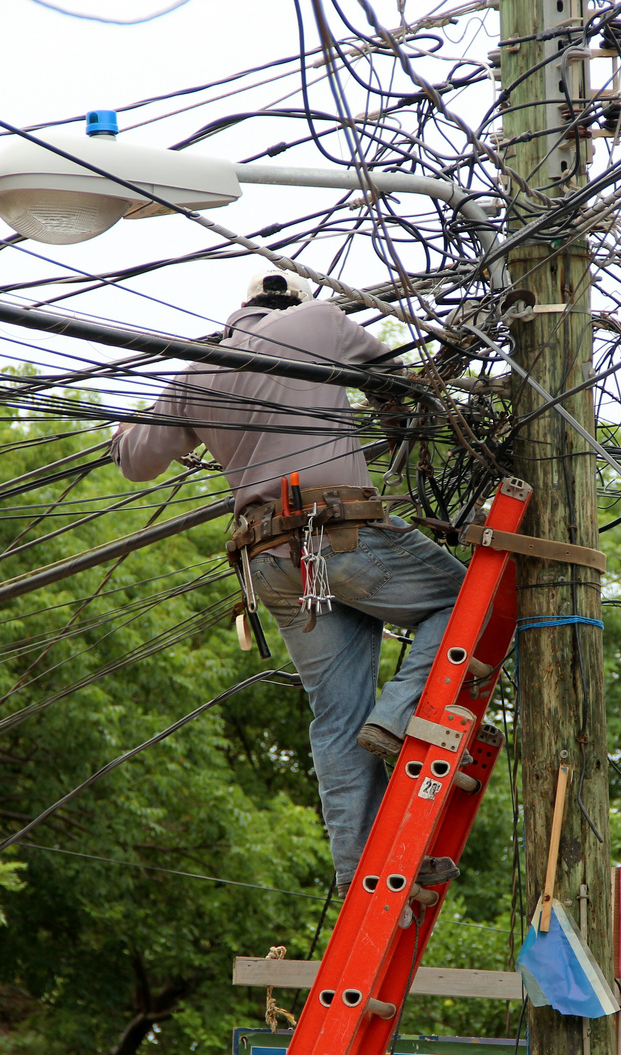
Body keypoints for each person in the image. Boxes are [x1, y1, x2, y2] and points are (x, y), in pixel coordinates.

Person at [111, 269, 467, 897]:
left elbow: (137, 461)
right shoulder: (322, 321)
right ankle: (398, 712)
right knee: (469, 603)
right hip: (342, 534)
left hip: (270, 564)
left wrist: (122, 434)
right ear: (290, 301)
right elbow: (399, 385)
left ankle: (364, 879)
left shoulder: (197, 367)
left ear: (238, 308)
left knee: (334, 723)